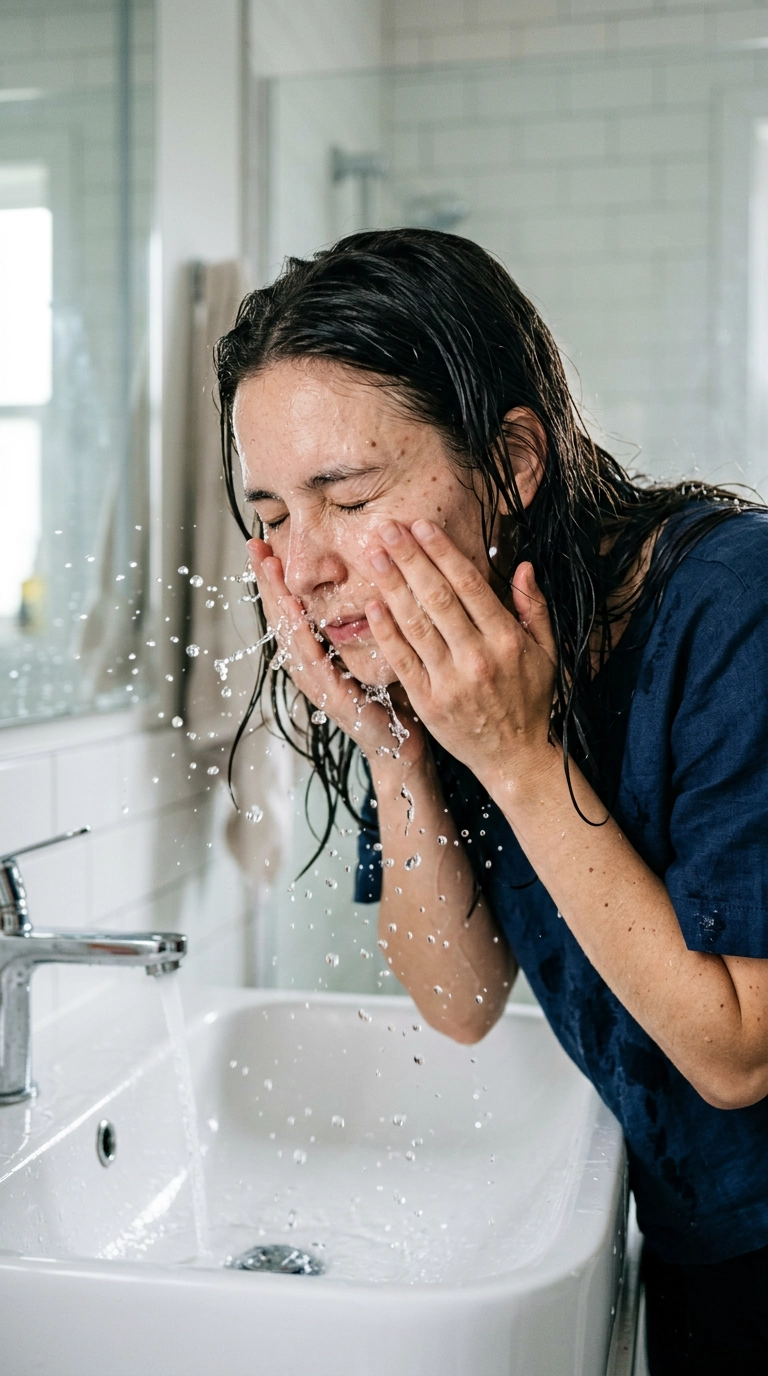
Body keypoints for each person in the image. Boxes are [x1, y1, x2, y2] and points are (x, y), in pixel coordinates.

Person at [214, 230, 768, 1375]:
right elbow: (459, 997)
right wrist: (393, 749)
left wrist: (515, 756)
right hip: (699, 1234)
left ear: (513, 463)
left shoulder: (734, 610)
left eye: (348, 495)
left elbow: (737, 1052)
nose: (304, 564)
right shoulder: (446, 655)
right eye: (270, 516)